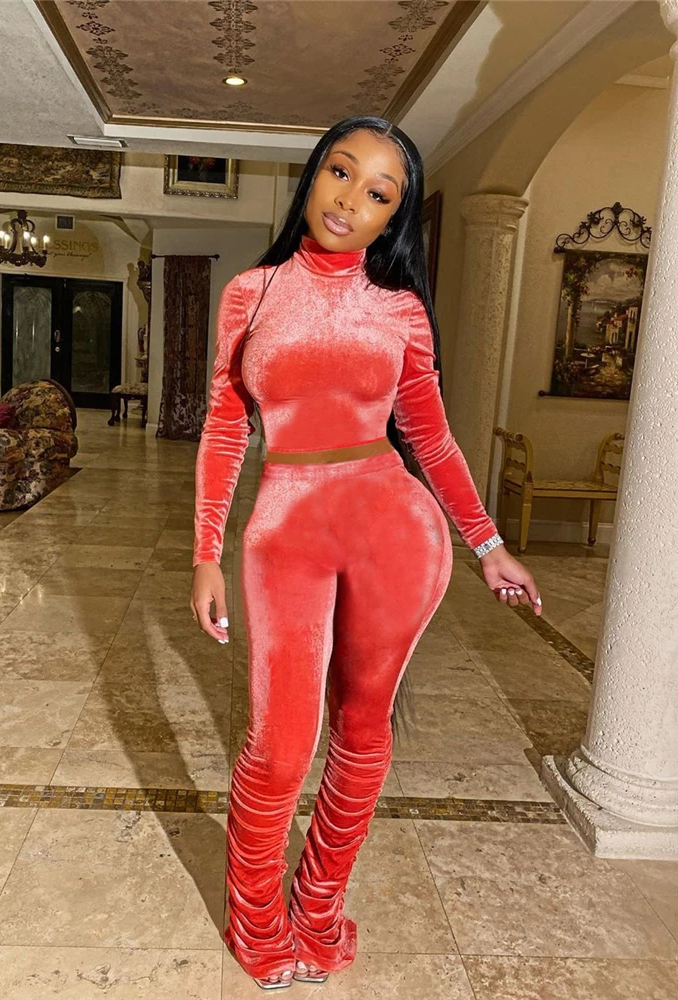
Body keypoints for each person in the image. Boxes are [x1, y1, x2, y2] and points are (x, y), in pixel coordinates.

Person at [190, 115, 542, 990]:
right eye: (341, 172)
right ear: (313, 175)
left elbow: (433, 438)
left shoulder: (400, 310)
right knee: (279, 746)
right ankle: (256, 918)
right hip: (285, 534)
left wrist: (487, 543)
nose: (351, 199)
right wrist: (205, 552)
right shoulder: (253, 293)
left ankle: (318, 909)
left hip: (395, 530)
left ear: (393, 218)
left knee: (363, 728)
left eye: (379, 193)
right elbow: (226, 426)